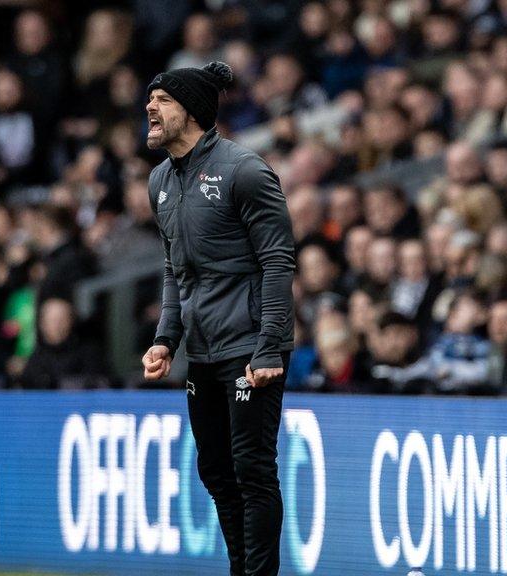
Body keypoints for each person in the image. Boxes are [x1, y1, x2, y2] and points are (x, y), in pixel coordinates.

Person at [139, 62, 295, 576]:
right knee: (215, 471)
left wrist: (270, 344)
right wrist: (166, 338)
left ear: (193, 110)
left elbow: (277, 261)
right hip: (201, 351)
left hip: (250, 346)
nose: (150, 108)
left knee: (252, 470)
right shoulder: (159, 181)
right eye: (150, 99)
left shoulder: (244, 170)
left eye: (162, 99)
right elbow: (173, 268)